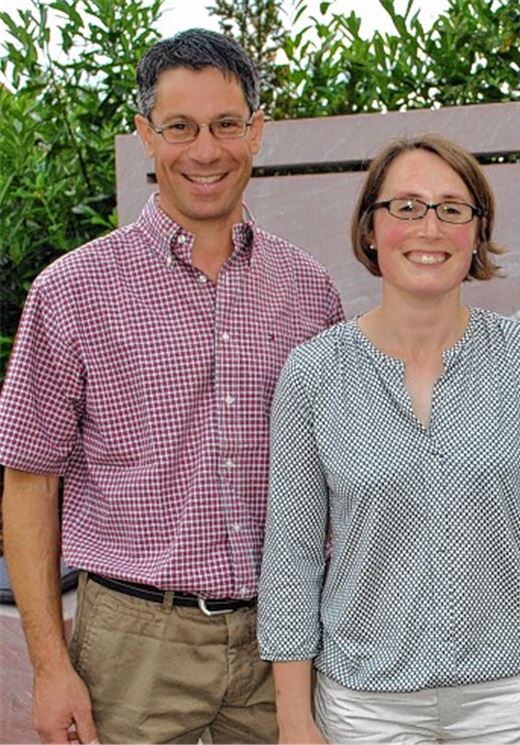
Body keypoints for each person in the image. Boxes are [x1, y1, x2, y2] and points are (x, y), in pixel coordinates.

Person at [0, 28, 343, 744]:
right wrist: (50, 665)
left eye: (225, 125)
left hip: (283, 638)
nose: (206, 150)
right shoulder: (71, 291)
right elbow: (29, 482)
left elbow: (337, 476)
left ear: (256, 132)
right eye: (180, 127)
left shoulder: (309, 291)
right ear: (145, 135)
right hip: (132, 645)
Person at [257, 134, 520, 745]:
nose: (430, 228)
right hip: (366, 705)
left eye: (452, 209)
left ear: (476, 233)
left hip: (510, 701)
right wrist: (293, 717)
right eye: (407, 207)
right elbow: (293, 559)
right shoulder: (314, 371)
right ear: (370, 229)